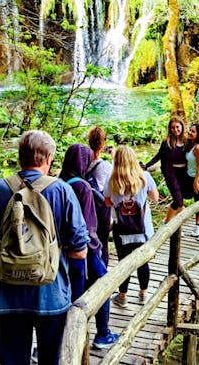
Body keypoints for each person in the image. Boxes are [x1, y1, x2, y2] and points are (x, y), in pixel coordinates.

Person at [0, 130, 89, 365]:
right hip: (51, 295)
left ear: (19, 157)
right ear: (48, 159)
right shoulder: (62, 191)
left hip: (7, 298)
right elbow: (80, 250)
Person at [59, 143, 119, 350]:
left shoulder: (58, 183)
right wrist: (97, 247)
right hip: (84, 250)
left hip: (61, 251)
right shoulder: (83, 187)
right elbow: (87, 224)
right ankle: (103, 334)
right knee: (104, 286)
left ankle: (54, 344)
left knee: (68, 296)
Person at [105, 145, 159, 307]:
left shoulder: (111, 180)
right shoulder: (145, 177)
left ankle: (122, 296)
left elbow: (107, 202)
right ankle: (143, 294)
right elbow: (155, 197)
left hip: (122, 229)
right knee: (143, 262)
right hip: (143, 229)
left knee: (123, 263)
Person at [143, 116, 188, 224]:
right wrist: (146, 166)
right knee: (178, 201)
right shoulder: (167, 142)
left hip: (184, 174)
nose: (175, 130)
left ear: (182, 127)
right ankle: (168, 223)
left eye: (177, 127)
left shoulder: (187, 141)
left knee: (180, 201)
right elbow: (158, 156)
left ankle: (170, 222)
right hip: (171, 173)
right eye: (172, 128)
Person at [86, 126, 114, 265]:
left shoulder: (83, 161)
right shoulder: (105, 165)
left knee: (89, 241)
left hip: (86, 205)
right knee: (103, 242)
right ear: (103, 143)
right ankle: (103, 274)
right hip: (102, 207)